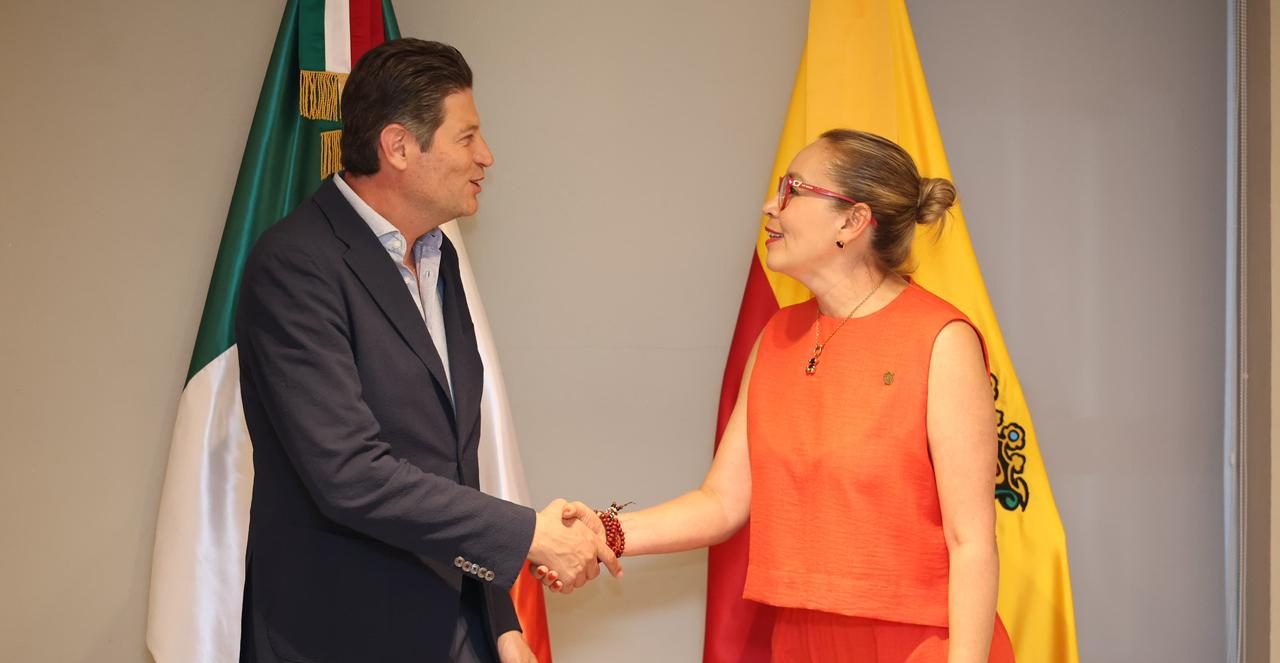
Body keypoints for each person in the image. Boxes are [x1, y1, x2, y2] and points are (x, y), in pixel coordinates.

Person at [548, 129, 1015, 662]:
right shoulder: (776, 336)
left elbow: (971, 542)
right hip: (798, 640)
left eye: (793, 189)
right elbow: (721, 502)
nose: (771, 206)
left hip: (923, 643)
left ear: (852, 221)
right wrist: (606, 531)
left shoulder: (941, 339)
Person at [236, 38, 618, 663]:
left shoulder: (438, 259)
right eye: (466, 137)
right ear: (398, 147)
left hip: (452, 630)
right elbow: (350, 474)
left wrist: (500, 623)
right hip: (338, 636)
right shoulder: (296, 265)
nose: (486, 156)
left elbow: (454, 466)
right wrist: (530, 535)